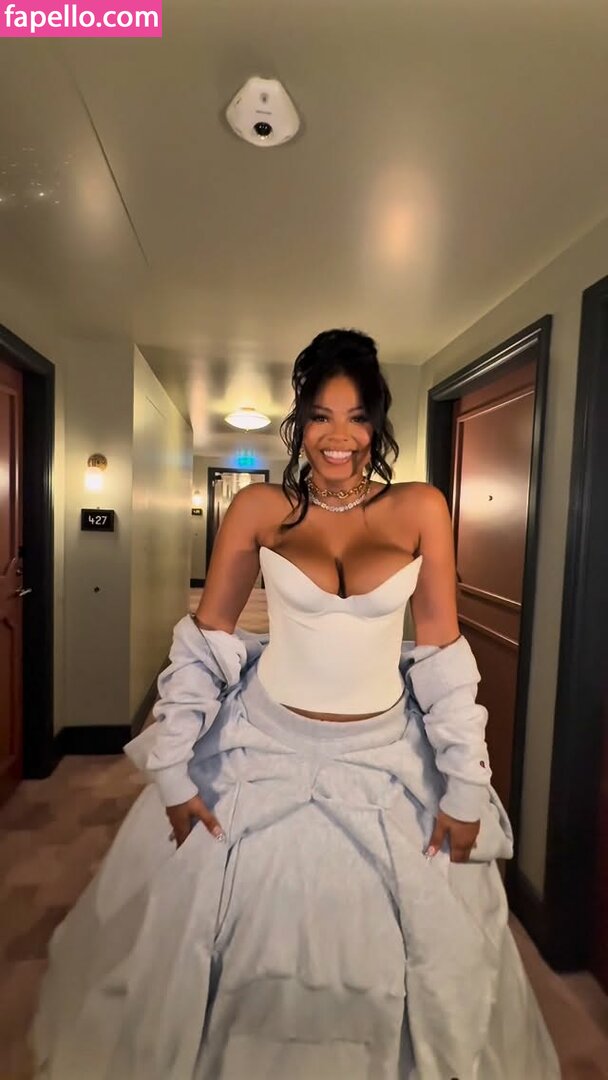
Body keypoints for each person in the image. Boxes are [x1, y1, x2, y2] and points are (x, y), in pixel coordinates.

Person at [34, 329, 559, 1079]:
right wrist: (173, 770)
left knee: (413, 959)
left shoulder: (420, 508)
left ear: (376, 424)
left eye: (356, 417)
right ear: (299, 422)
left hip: (386, 759)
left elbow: (443, 653)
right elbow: (207, 640)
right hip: (262, 746)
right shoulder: (260, 509)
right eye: (320, 416)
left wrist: (466, 782)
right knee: (218, 950)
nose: (338, 436)